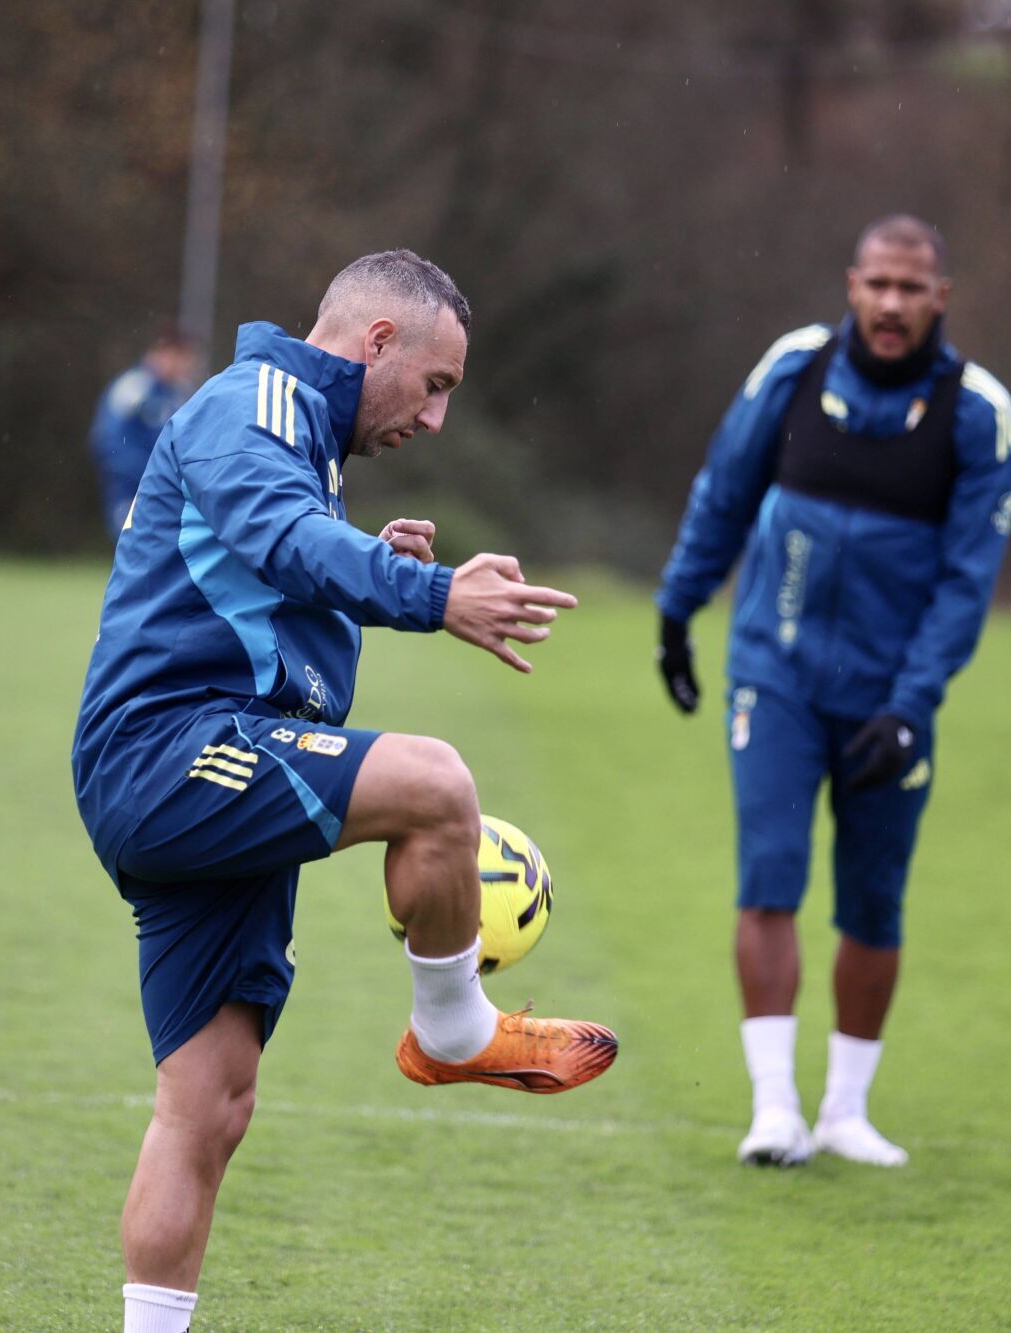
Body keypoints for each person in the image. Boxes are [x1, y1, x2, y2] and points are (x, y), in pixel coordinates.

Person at [71, 250, 617, 1332]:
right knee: (435, 784)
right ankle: (452, 1029)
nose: (435, 417)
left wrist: (366, 565)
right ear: (376, 341)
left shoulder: (302, 441)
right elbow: (282, 541)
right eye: (435, 384)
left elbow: (261, 576)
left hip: (206, 769)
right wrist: (427, 592)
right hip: (173, 751)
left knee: (209, 1107)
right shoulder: (253, 404)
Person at [654, 216, 1011, 1169]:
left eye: (911, 288)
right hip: (773, 677)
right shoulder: (794, 371)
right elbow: (723, 491)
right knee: (769, 877)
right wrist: (677, 609)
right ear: (852, 285)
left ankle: (845, 1111)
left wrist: (911, 705)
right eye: (878, 284)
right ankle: (774, 1106)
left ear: (941, 297)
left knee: (873, 901)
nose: (891, 304)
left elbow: (966, 583)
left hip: (889, 699)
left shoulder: (978, 413)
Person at [90, 329, 202, 538]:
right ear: (163, 353)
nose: (187, 365)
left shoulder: (179, 394)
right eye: (182, 357)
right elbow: (108, 440)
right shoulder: (134, 387)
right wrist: (144, 474)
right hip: (130, 490)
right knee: (132, 544)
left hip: (164, 490)